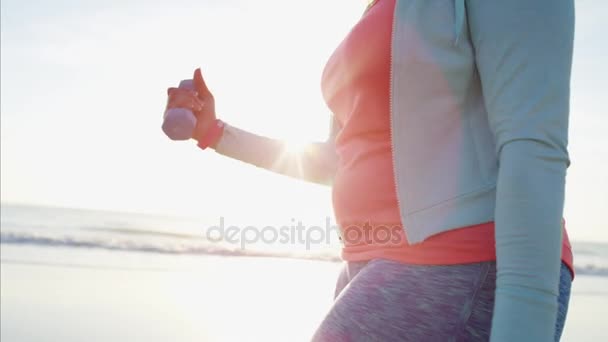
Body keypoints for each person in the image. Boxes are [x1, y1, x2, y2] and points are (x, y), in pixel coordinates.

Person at [164, 0, 575, 340]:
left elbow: (533, 146)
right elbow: (336, 160)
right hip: (369, 262)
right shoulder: (377, 10)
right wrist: (215, 133)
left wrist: (527, 319)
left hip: (466, 259)